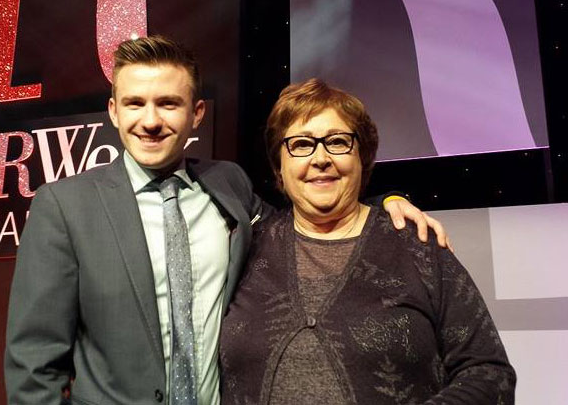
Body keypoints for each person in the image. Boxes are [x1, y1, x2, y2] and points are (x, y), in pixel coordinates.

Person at [4, 36, 448, 405]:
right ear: (115, 111)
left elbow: (302, 223)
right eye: (135, 103)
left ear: (196, 113)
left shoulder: (227, 184)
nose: (150, 121)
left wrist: (387, 201)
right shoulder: (64, 206)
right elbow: (33, 363)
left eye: (168, 103)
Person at [220, 79, 516, 404]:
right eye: (301, 144)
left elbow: (489, 374)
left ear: (362, 157)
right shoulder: (246, 247)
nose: (320, 158)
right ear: (279, 164)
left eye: (338, 141)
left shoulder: (416, 245)